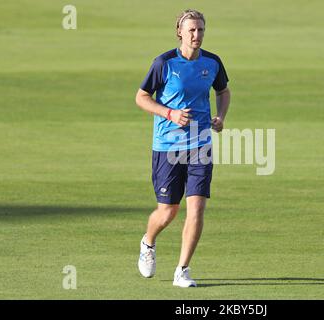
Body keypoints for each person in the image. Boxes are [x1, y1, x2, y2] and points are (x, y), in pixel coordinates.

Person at [135, 9, 230, 287]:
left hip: (200, 143)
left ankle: (182, 270)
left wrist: (221, 117)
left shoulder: (212, 62)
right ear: (180, 31)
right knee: (168, 212)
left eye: (200, 30)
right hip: (167, 146)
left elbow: (223, 91)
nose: (196, 35)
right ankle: (148, 242)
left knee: (197, 209)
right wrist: (170, 114)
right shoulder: (163, 63)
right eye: (191, 30)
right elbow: (141, 97)